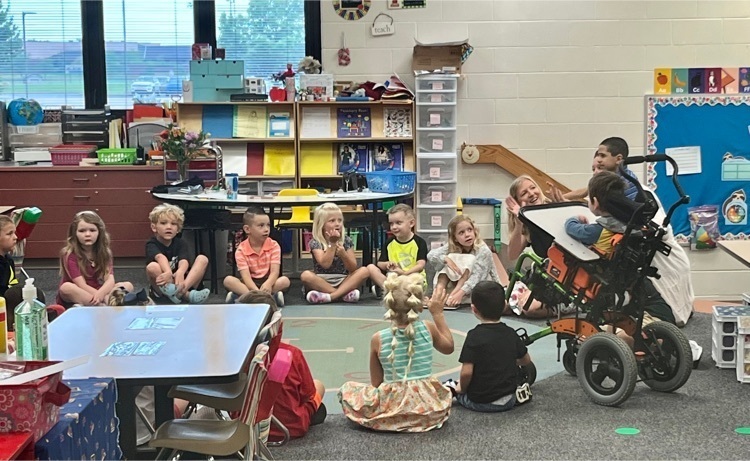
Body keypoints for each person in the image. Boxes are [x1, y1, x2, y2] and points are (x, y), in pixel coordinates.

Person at [564, 171, 677, 346]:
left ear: (594, 202)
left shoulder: (599, 230)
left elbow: (572, 229)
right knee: (615, 326)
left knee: (618, 337)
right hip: (640, 287)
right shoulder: (634, 227)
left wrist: (574, 219)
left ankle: (637, 344)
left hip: (632, 302)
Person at [338, 273, 453, 432]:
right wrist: (438, 314)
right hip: (428, 411)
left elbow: (376, 383)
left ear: (388, 304)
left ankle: (394, 420)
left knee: (347, 389)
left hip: (395, 408)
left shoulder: (378, 338)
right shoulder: (428, 327)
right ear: (419, 304)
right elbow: (449, 348)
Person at [237, 291, 326, 441]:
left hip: (243, 427)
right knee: (319, 386)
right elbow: (307, 394)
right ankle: (307, 415)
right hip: (292, 427)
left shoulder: (235, 357)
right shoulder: (292, 354)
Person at [448, 281, 532, 412]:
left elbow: (466, 373)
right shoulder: (510, 333)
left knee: (451, 385)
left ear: (474, 309)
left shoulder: (474, 336)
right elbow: (526, 360)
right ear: (504, 305)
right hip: (508, 399)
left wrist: (460, 389)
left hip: (481, 401)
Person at [505, 175, 575, 318]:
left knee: (529, 308)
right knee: (499, 304)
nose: (531, 194)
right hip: (544, 274)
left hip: (566, 276)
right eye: (524, 193)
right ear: (518, 202)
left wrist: (564, 208)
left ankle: (570, 306)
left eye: (533, 188)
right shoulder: (527, 224)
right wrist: (519, 223)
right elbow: (512, 255)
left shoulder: (554, 208)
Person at [56, 211, 133, 307]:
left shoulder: (104, 252)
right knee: (66, 288)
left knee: (128, 285)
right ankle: (107, 304)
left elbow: (109, 279)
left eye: (92, 230)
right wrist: (103, 296)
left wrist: (102, 293)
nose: (87, 234)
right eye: (82, 231)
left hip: (98, 291)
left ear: (99, 232)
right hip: (80, 292)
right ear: (74, 233)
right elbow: (81, 285)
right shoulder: (69, 254)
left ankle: (106, 303)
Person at [301, 203, 370, 304]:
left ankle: (331, 297)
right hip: (322, 281)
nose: (337, 224)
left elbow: (352, 268)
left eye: (340, 220)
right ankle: (343, 295)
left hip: (343, 280)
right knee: (305, 275)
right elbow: (325, 264)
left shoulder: (347, 240)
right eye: (332, 221)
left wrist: (343, 254)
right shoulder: (315, 242)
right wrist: (332, 244)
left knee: (364, 271)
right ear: (322, 225)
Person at [427, 214, 501, 308]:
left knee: (468, 260)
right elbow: (431, 255)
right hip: (460, 284)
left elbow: (477, 277)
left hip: (483, 287)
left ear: (474, 231)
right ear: (455, 238)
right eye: (461, 233)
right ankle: (438, 293)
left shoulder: (483, 250)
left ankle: (453, 296)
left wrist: (460, 294)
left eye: (469, 230)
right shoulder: (452, 246)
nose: (467, 235)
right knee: (447, 258)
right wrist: (446, 259)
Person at [223, 207, 290, 306]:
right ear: (247, 229)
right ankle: (269, 298)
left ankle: (242, 298)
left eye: (268, 225)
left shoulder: (274, 245)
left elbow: (275, 272)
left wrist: (268, 284)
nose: (266, 229)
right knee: (228, 280)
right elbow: (245, 277)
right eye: (261, 226)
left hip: (268, 283)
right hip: (249, 283)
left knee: (285, 281)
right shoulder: (241, 249)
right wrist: (255, 290)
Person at [145, 204, 210, 304]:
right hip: (164, 286)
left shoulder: (181, 242)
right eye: (163, 223)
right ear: (154, 227)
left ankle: (180, 293)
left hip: (182, 282)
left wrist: (180, 271)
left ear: (178, 229)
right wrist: (168, 272)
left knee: (202, 259)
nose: (169, 227)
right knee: (152, 267)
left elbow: (184, 260)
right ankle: (186, 295)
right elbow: (160, 257)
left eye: (173, 224)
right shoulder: (151, 243)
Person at [366, 204, 428, 296]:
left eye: (398, 223)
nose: (394, 227)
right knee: (370, 268)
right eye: (391, 224)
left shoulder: (419, 242)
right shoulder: (389, 243)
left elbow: (420, 265)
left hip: (412, 278)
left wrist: (404, 273)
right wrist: (387, 264)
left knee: (416, 279)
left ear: (411, 223)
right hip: (394, 279)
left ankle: (394, 292)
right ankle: (394, 291)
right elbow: (380, 263)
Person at [0, 215, 45, 330]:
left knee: (30, 292)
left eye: (14, 233)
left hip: (7, 305)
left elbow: (12, 283)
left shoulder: (9, 260)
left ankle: (39, 320)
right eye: (9, 234)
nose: (15, 237)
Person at [563, 137, 639, 201]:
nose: (599, 159)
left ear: (618, 159)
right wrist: (564, 198)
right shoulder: (622, 174)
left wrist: (563, 202)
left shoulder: (619, 182)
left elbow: (596, 208)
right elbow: (587, 190)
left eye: (602, 155)